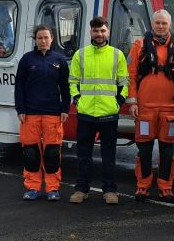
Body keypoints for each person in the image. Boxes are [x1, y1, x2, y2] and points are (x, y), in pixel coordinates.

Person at [69, 16, 129, 205]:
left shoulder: (117, 55)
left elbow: (124, 82)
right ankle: (81, 189)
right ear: (91, 32)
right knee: (83, 155)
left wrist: (119, 102)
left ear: (108, 32)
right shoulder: (80, 55)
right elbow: (73, 81)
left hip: (108, 113)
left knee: (108, 155)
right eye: (96, 31)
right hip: (86, 112)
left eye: (102, 30)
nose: (99, 34)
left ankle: (109, 190)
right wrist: (77, 100)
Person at [127, 9, 174, 201]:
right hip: (145, 108)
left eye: (164, 23)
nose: (160, 26)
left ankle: (165, 187)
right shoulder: (140, 45)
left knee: (167, 150)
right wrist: (132, 101)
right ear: (152, 24)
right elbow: (131, 75)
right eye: (157, 23)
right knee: (144, 149)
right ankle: (143, 186)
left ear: (170, 25)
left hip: (170, 109)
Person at [14, 25, 71, 201]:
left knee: (52, 153)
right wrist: (20, 109)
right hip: (30, 113)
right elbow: (19, 86)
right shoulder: (27, 59)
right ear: (35, 40)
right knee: (31, 153)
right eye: (40, 38)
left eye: (46, 37)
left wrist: (65, 108)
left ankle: (53, 188)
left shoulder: (59, 60)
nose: (43, 41)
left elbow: (65, 87)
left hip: (52, 113)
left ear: (52, 38)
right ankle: (33, 187)